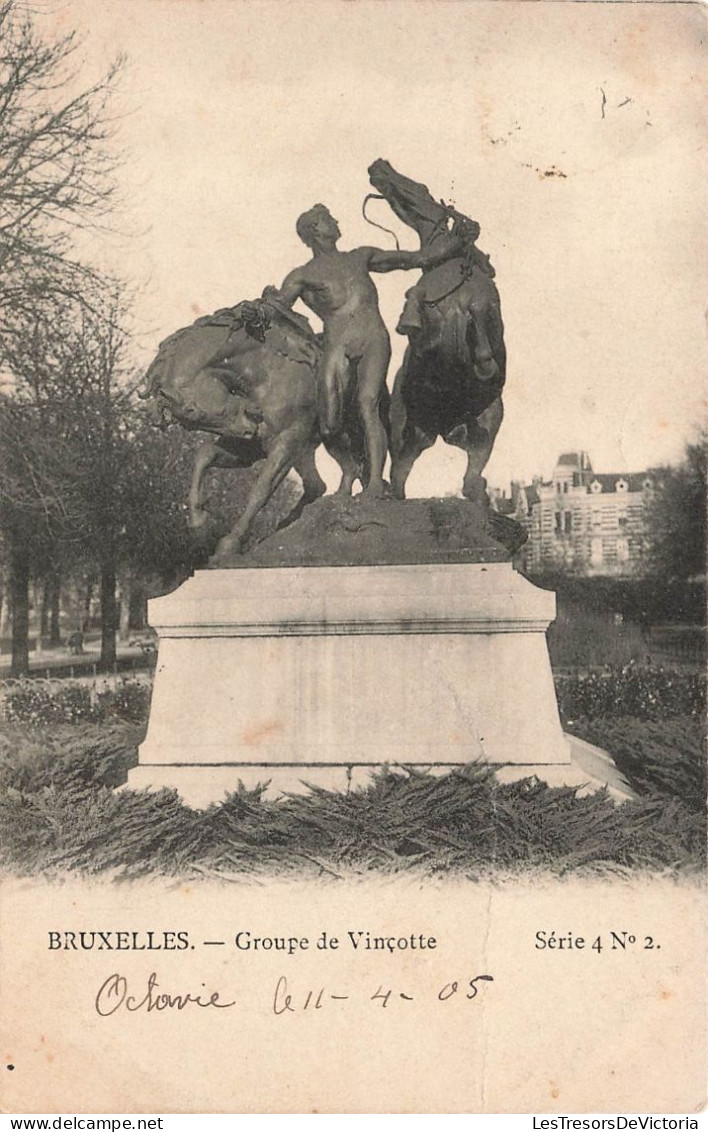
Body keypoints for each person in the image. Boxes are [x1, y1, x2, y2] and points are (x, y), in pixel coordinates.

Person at [269, 203, 465, 497]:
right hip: (336, 345)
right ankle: (354, 468)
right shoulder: (301, 276)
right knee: (329, 424)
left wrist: (458, 240)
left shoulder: (360, 257)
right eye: (327, 219)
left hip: (373, 338)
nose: (335, 221)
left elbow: (417, 258)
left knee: (367, 403)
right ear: (314, 230)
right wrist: (264, 306)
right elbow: (276, 312)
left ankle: (374, 482)